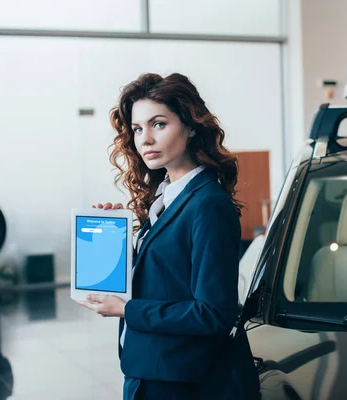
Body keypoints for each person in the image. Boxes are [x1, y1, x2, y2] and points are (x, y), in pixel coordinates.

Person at [77, 73, 260, 400]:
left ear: (190, 126)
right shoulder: (165, 197)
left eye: (158, 124)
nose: (145, 139)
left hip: (178, 381)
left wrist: (126, 310)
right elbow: (165, 277)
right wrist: (115, 238)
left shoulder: (207, 204)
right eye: (137, 129)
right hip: (148, 369)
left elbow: (213, 314)